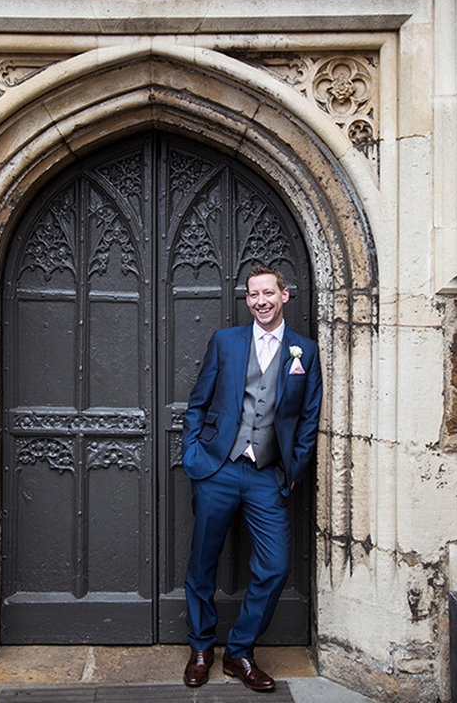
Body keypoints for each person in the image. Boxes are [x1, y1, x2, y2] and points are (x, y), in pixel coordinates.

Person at [181, 264, 322, 692]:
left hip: (267, 476)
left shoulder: (305, 351)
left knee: (275, 566)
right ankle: (202, 647)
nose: (260, 301)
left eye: (267, 293)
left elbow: (309, 417)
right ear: (247, 300)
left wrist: (293, 470)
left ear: (285, 296)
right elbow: (198, 401)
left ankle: (239, 651)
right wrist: (194, 454)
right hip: (218, 468)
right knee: (202, 562)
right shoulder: (225, 342)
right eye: (252, 295)